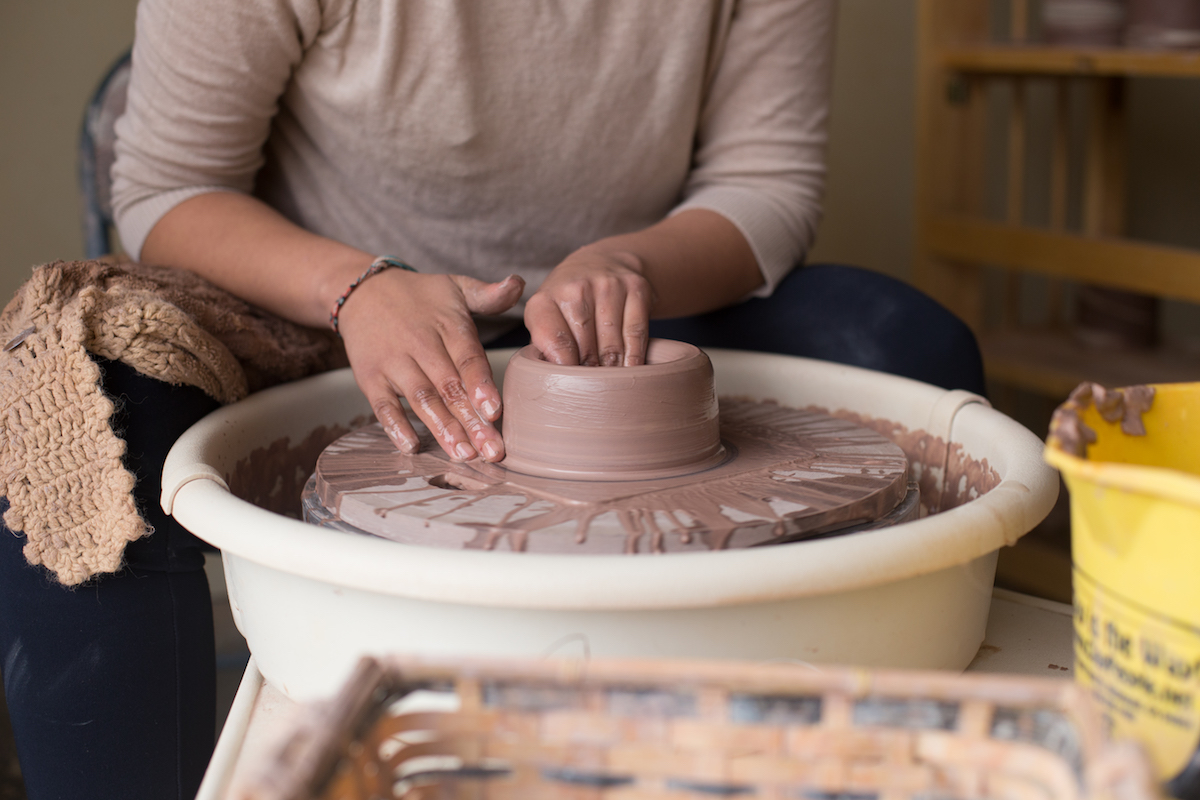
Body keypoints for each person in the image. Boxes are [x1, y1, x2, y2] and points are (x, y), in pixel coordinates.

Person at [0, 1, 983, 798]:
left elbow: (766, 183)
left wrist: (626, 262)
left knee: (911, 350)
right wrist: (356, 288)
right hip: (326, 312)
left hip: (629, 320)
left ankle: (843, 746)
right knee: (81, 411)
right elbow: (167, 187)